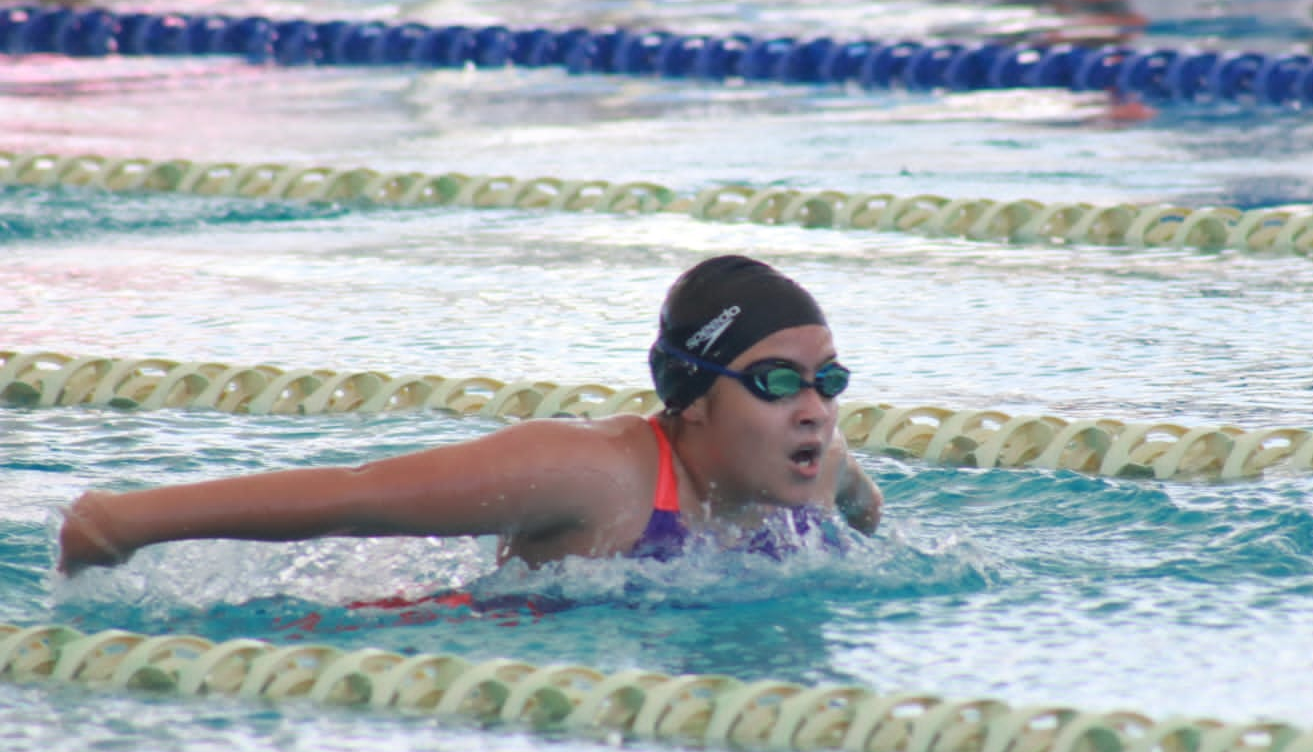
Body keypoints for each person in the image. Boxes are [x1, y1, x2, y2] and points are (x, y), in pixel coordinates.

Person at [56, 254, 883, 576]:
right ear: (694, 398)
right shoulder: (592, 475)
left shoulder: (815, 467)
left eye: (828, 379)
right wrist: (123, 521)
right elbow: (357, 494)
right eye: (777, 381)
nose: (814, 409)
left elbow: (864, 509)